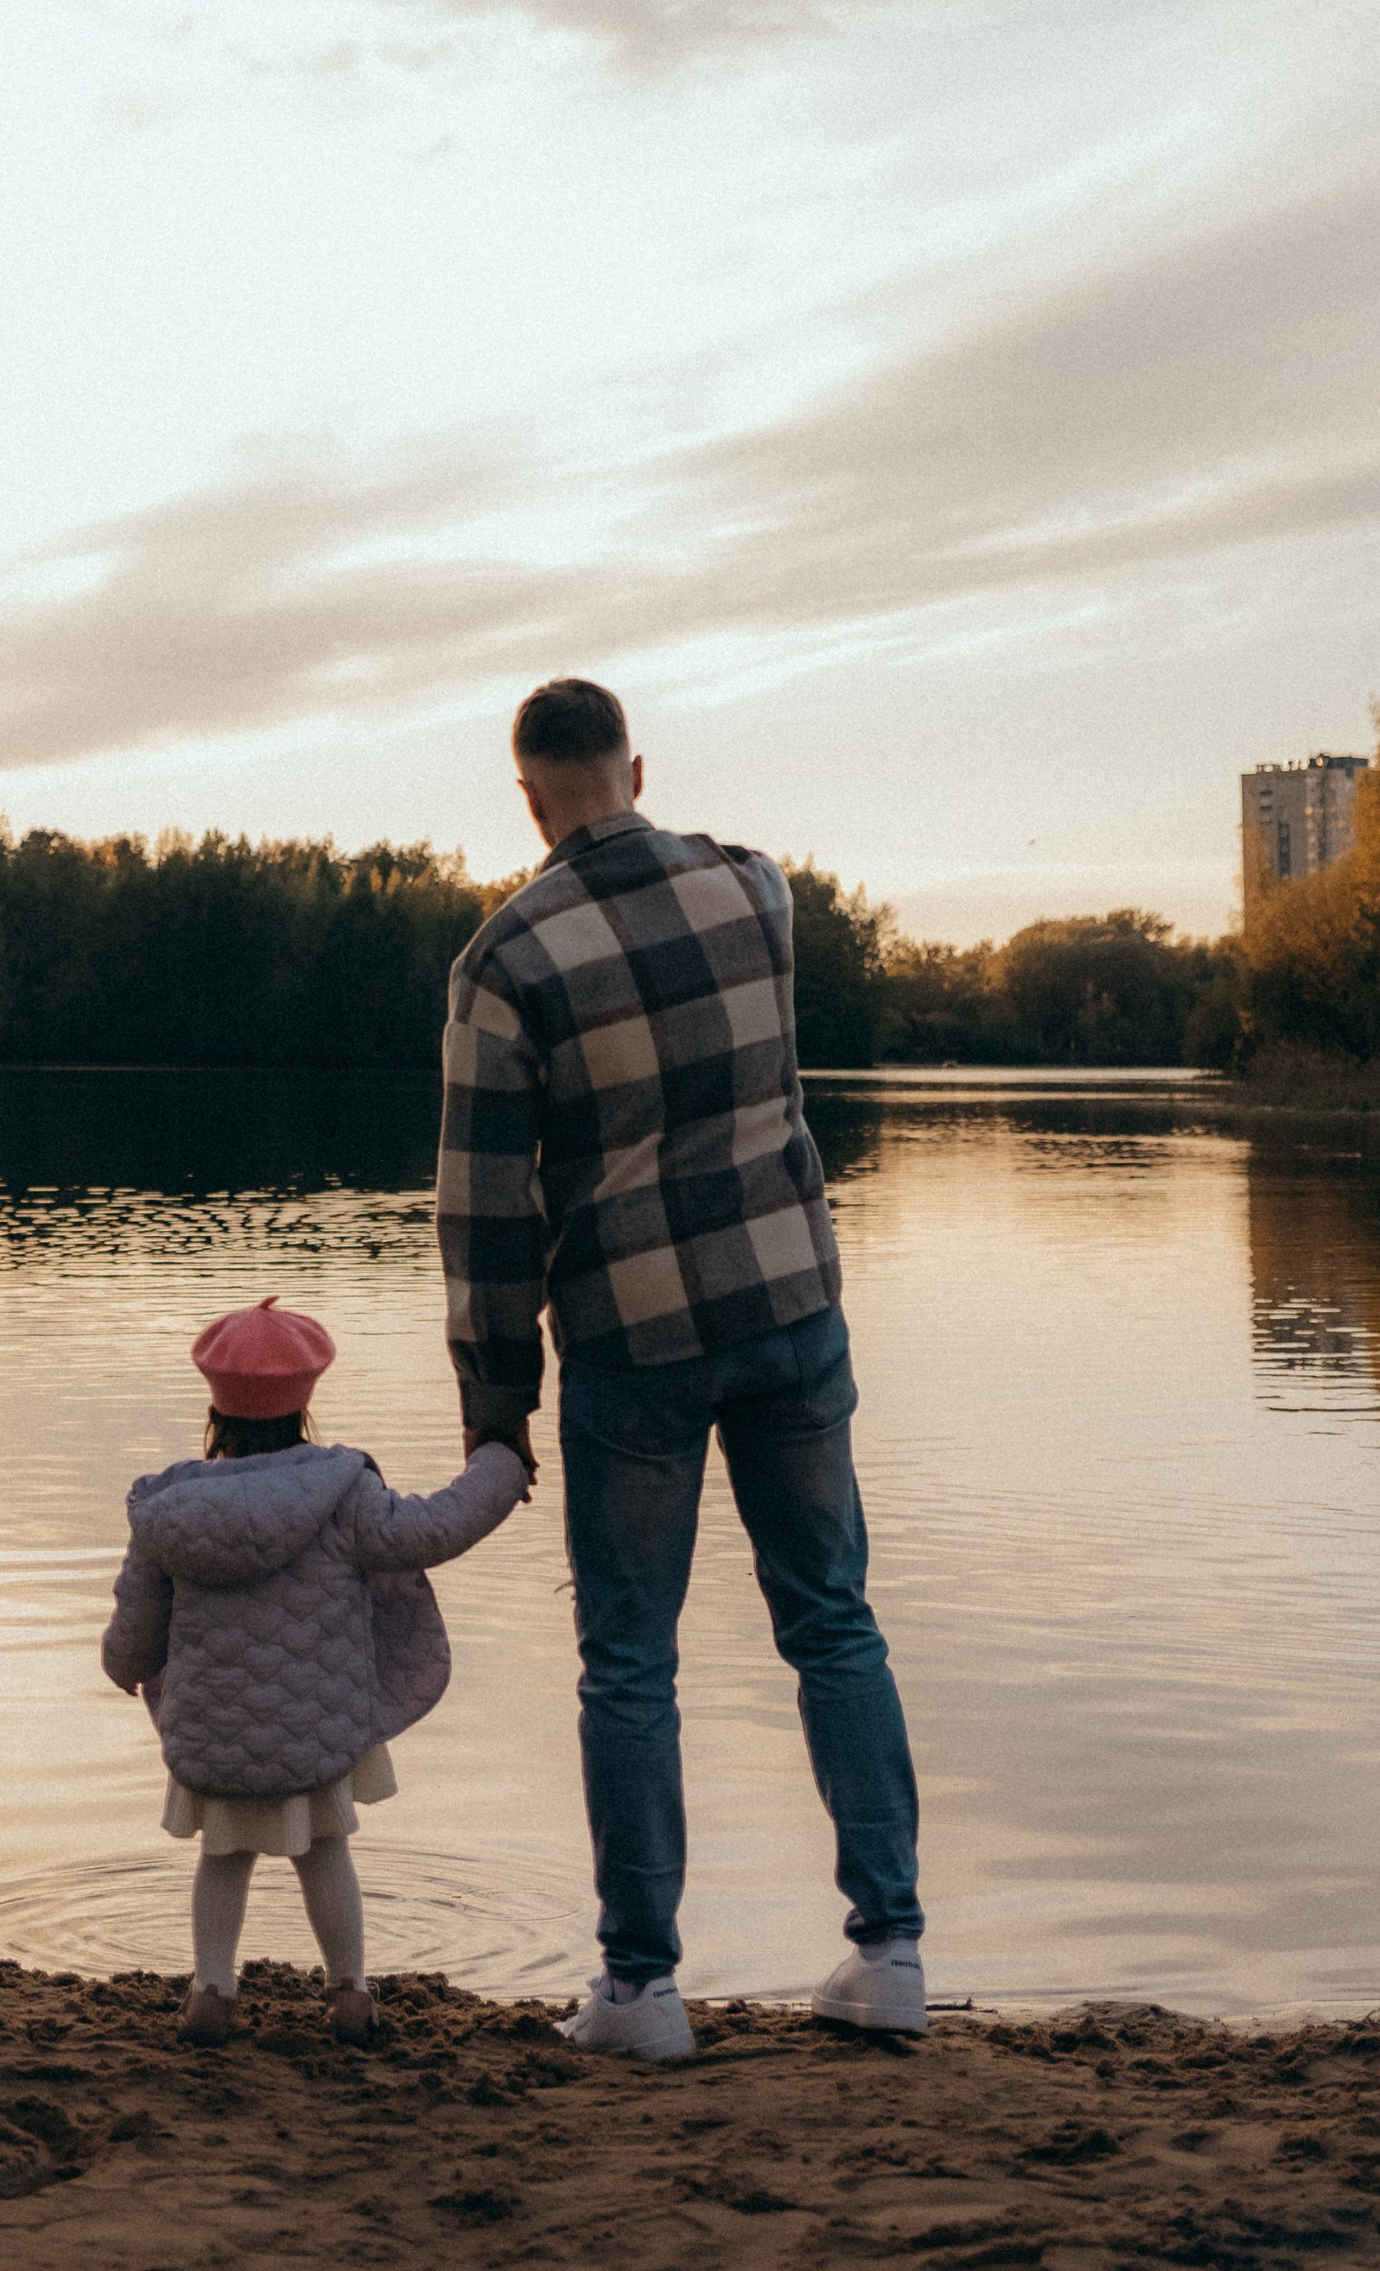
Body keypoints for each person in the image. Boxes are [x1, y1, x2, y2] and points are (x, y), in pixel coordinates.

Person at [437, 675, 924, 2061]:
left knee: (629, 1661)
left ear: (529, 796)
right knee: (833, 1618)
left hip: (635, 1339)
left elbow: (485, 1214)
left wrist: (496, 1407)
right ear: (636, 770)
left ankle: (642, 1992)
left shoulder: (503, 963)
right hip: (787, 1305)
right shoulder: (759, 893)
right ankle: (889, 1952)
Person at [101, 1293, 528, 2045]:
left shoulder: (169, 1513)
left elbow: (135, 1639)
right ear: (304, 1406)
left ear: (216, 1410)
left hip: (214, 1732)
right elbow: (438, 1527)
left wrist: (121, 1667)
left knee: (222, 1856)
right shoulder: (345, 1496)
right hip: (318, 1724)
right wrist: (499, 1459)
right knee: (326, 1851)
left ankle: (211, 1991)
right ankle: (352, 1995)